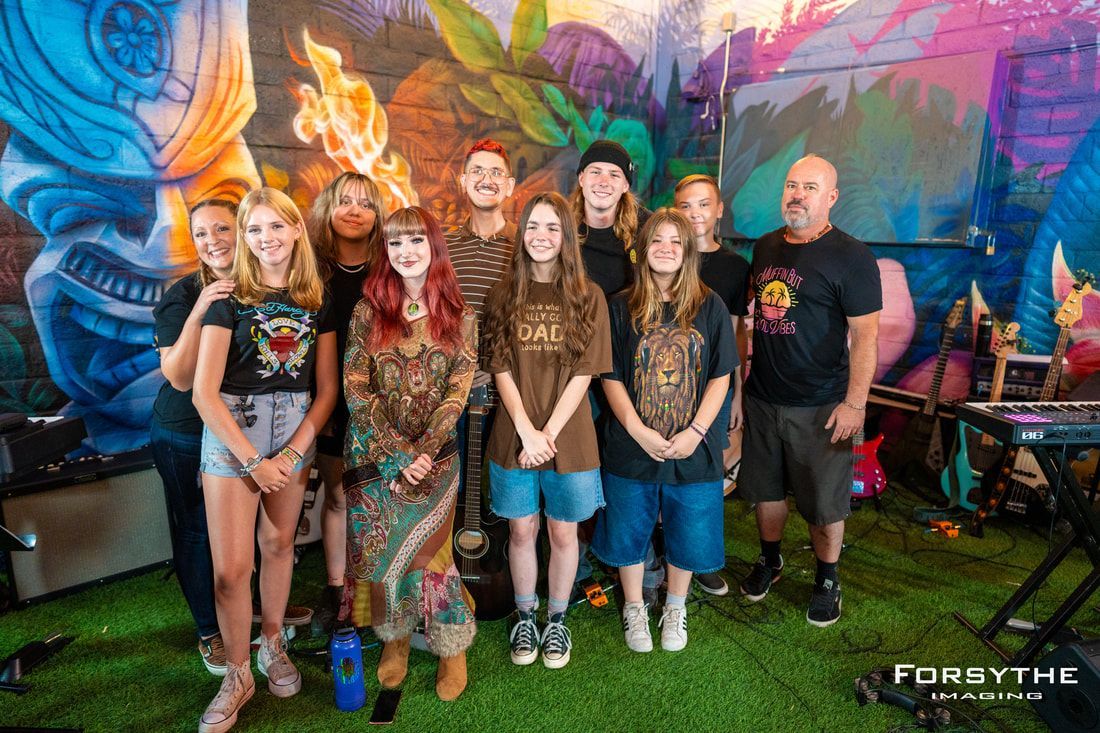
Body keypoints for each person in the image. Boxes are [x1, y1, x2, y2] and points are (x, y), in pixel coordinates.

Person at [193, 187, 338, 733]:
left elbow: (325, 391)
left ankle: (273, 645)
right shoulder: (229, 298)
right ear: (245, 239)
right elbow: (204, 393)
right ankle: (236, 672)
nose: (266, 238)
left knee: (280, 544)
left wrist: (297, 451)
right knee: (231, 572)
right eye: (254, 230)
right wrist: (254, 461)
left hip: (293, 429)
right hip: (235, 433)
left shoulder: (315, 298)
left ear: (297, 230)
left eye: (276, 226)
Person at [737, 154, 881, 628]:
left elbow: (865, 338)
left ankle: (827, 577)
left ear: (832, 197)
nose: (798, 194)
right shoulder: (763, 248)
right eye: (792, 185)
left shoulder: (853, 256)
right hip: (762, 397)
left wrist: (855, 404)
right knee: (766, 493)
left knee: (823, 504)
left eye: (811, 187)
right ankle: (771, 560)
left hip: (821, 404)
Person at [342, 206, 477, 701]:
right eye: (395, 243)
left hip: (437, 459)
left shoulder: (460, 315)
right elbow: (357, 392)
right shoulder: (366, 310)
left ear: (433, 247)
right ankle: (393, 641)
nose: (405, 252)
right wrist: (398, 457)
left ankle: (451, 645)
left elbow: (457, 394)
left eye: (416, 241)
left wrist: (422, 455)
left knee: (435, 560)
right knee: (379, 559)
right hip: (374, 461)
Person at [593, 208, 735, 653]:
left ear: (688, 251)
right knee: (628, 527)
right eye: (657, 241)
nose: (666, 249)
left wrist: (696, 431)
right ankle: (633, 606)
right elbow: (610, 375)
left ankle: (676, 605)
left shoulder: (710, 304)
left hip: (694, 443)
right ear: (641, 250)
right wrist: (637, 430)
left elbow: (721, 375)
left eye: (676, 241)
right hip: (633, 442)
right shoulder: (620, 306)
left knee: (690, 527)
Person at [483, 192, 611, 669]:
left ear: (567, 237)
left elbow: (584, 373)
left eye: (552, 228)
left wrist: (547, 434)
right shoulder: (503, 294)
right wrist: (526, 432)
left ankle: (556, 620)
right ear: (522, 235)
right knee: (521, 530)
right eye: (533, 226)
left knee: (563, 533)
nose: (541, 236)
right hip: (513, 436)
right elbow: (499, 368)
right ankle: (525, 615)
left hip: (570, 439)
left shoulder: (587, 295)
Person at [151, 199, 238, 676]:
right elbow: (180, 377)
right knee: (197, 529)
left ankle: (247, 614)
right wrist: (200, 310)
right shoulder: (182, 294)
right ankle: (210, 631)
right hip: (183, 430)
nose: (212, 241)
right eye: (201, 234)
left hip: (239, 429)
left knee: (240, 531)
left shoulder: (262, 283)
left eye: (222, 228)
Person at [308, 172, 387, 631]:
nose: (354, 210)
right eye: (345, 201)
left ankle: (379, 587)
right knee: (337, 495)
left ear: (377, 216)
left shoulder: (389, 268)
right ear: (328, 209)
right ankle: (337, 589)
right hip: (327, 402)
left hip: (381, 401)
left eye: (365, 203)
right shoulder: (310, 269)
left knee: (378, 497)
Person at [673, 174, 751, 597]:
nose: (694, 214)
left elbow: (738, 333)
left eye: (703, 204)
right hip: (662, 389)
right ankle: (654, 558)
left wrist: (738, 391)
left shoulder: (736, 267)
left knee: (706, 477)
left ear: (719, 210)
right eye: (685, 205)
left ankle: (697, 559)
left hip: (714, 390)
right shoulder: (662, 254)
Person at [445, 138, 516, 494]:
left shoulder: (525, 246)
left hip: (511, 392)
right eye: (477, 171)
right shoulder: (443, 247)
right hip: (454, 391)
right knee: (454, 490)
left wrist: (498, 367)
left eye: (496, 172)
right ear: (463, 180)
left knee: (501, 493)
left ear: (509, 185)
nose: (486, 179)